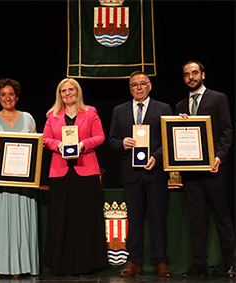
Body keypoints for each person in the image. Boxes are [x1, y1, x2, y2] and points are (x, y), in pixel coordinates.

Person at [108, 71, 172, 277]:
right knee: (134, 220)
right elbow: (112, 141)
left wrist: (157, 157)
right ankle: (133, 262)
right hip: (131, 174)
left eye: (142, 84)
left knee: (158, 219)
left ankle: (161, 261)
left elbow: (167, 139)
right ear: (130, 88)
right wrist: (123, 144)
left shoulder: (163, 108)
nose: (138, 88)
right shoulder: (119, 110)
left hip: (155, 172)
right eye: (134, 85)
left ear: (150, 86)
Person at [175, 60, 235, 278]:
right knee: (197, 220)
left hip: (215, 169)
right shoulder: (181, 106)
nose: (191, 77)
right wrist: (180, 124)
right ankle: (199, 266)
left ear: (203, 75)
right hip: (191, 173)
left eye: (194, 73)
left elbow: (227, 131)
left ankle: (231, 263)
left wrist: (219, 157)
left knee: (222, 217)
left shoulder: (218, 99)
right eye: (186, 75)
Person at [0, 78, 39, 278]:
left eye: (11, 94)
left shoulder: (27, 118)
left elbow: (35, 148)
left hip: (22, 181)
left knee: (20, 223)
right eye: (3, 95)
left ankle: (20, 267)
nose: (7, 98)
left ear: (17, 96)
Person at [43, 78, 107, 275]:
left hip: (85, 170)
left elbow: (100, 136)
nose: (67, 93)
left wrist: (82, 145)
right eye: (63, 91)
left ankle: (87, 264)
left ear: (78, 92)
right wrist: (58, 145)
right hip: (60, 172)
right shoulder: (52, 115)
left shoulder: (90, 112)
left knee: (85, 218)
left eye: (71, 89)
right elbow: (45, 139)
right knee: (61, 217)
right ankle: (61, 264)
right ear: (59, 95)